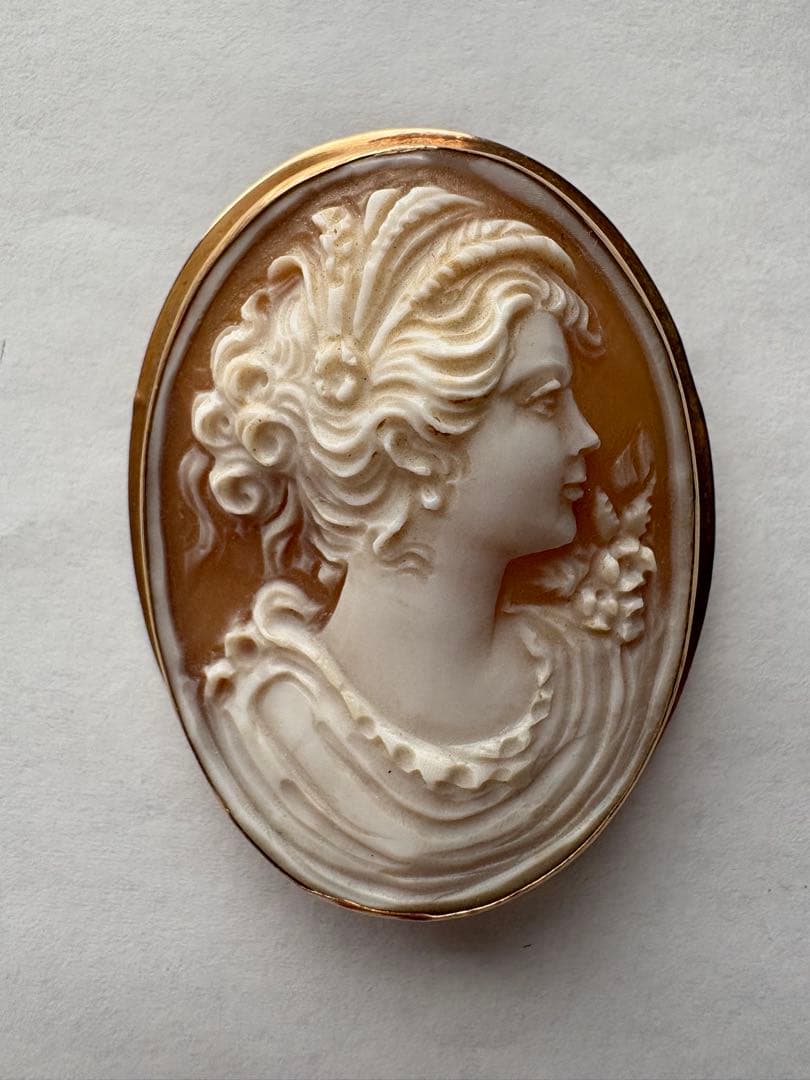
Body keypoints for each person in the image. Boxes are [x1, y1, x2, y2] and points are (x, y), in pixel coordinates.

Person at [188, 184, 657, 912]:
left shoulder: (592, 682)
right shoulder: (271, 727)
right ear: (411, 446)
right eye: (544, 401)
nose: (587, 436)